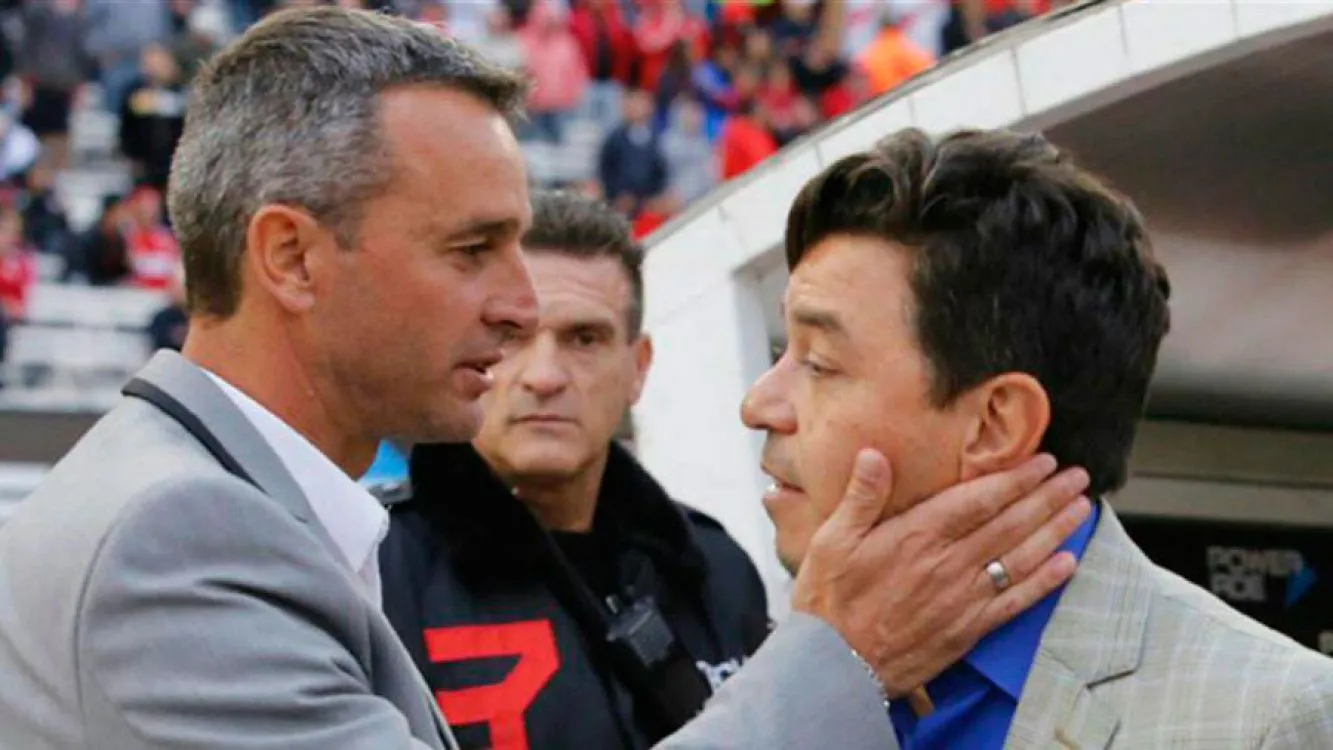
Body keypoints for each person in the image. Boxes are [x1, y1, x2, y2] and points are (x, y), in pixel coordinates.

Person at [0, 8, 1087, 750]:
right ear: (289, 258)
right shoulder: (177, 538)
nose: (521, 308)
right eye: (472, 251)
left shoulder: (206, 504)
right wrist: (840, 655)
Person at [740, 127, 1333, 749]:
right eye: (786, 350)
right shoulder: (778, 668)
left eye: (821, 363)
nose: (758, 405)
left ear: (997, 423)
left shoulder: (1265, 719)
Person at [377, 191, 769, 749]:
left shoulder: (715, 571)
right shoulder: (374, 570)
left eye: (584, 338)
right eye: (511, 336)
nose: (544, 376)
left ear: (638, 368)